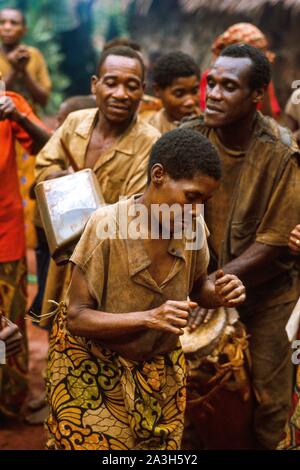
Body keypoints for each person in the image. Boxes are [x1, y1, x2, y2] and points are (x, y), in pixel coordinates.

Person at [45, 127, 246, 450]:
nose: (195, 210)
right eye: (191, 197)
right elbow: (77, 318)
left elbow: (198, 289)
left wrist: (218, 293)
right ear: (158, 176)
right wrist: (148, 318)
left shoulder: (191, 227)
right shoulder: (106, 227)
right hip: (95, 370)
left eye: (204, 202)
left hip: (158, 374)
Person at [183, 44, 300, 449]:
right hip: (199, 289)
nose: (213, 93)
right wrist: (198, 289)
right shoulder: (188, 139)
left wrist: (214, 284)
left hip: (267, 296)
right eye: (211, 83)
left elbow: (274, 242)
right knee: (194, 400)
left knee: (270, 403)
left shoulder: (281, 152)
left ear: (257, 95)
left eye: (228, 86)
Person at [34, 46, 161, 328]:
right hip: (65, 259)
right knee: (59, 333)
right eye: (111, 82)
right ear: (95, 84)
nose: (120, 94)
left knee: (102, 339)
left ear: (142, 90)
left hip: (111, 267)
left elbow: (131, 211)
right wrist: (62, 178)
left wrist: (69, 188)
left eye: (131, 86)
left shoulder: (150, 143)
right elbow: (43, 168)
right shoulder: (74, 122)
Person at [0, 91, 50, 417]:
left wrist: (17, 115)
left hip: (6, 234)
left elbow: (49, 147)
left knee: (9, 325)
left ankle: (9, 403)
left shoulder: (10, 102)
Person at [199, 23, 281, 120]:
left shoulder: (262, 82)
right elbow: (208, 114)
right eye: (212, 84)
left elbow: (269, 118)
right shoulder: (211, 76)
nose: (214, 95)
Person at [0, 8, 51, 107]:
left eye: (14, 23)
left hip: (30, 119)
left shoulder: (34, 55)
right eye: (2, 23)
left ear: (24, 30)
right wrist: (15, 70)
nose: (7, 27)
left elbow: (43, 100)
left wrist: (24, 71)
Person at [143, 51, 200, 134]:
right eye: (179, 94)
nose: (190, 102)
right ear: (157, 90)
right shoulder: (147, 130)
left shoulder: (210, 128)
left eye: (194, 92)